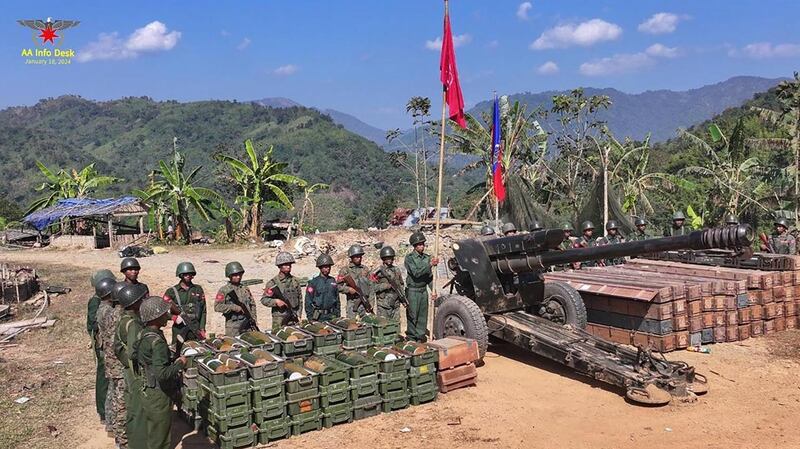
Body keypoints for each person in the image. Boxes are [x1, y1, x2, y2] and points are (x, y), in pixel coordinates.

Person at [135, 296, 187, 449]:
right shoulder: (156, 341)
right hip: (158, 394)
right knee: (160, 439)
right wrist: (179, 363)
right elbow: (162, 374)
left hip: (146, 388)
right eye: (164, 314)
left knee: (152, 432)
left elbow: (134, 356)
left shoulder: (143, 334)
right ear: (156, 317)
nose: (168, 316)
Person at [113, 283, 148, 449]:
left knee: (133, 410)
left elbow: (119, 348)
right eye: (141, 300)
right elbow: (135, 352)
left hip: (128, 370)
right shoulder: (133, 323)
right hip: (136, 373)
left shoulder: (123, 319)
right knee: (138, 412)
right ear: (134, 303)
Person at [96, 278, 127, 448]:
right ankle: (120, 437)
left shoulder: (104, 310)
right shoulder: (115, 314)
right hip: (117, 363)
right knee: (119, 400)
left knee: (113, 395)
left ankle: (113, 427)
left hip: (110, 360)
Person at [88, 269, 115, 426]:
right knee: (104, 377)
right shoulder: (95, 301)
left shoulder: (109, 300)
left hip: (109, 345)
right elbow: (92, 325)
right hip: (103, 346)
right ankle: (103, 412)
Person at [162, 262, 206, 352]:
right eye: (185, 274)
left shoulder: (198, 289)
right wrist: (173, 317)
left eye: (190, 274)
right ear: (180, 275)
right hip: (179, 328)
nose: (188, 276)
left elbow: (203, 310)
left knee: (197, 351)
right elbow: (161, 311)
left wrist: (202, 328)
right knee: (178, 351)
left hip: (195, 327)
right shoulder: (172, 291)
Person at [404, 232, 438, 342]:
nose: (421, 246)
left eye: (423, 244)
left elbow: (429, 277)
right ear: (414, 246)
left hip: (423, 291)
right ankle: (411, 338)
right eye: (419, 245)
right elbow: (416, 273)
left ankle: (420, 337)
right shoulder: (409, 258)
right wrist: (429, 265)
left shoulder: (427, 258)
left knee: (423, 316)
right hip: (413, 292)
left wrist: (433, 290)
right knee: (413, 316)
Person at [261, 252, 302, 330]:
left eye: (290, 265)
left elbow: (300, 299)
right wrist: (276, 302)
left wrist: (299, 314)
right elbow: (264, 300)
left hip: (293, 317)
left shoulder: (295, 281)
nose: (288, 267)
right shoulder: (273, 283)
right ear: (279, 266)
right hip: (280, 318)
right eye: (285, 265)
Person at [215, 262, 257, 335]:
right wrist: (234, 307)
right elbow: (217, 307)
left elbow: (252, 305)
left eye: (240, 274)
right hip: (233, 327)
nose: (238, 277)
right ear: (230, 276)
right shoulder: (224, 290)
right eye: (235, 275)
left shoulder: (245, 289)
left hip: (248, 324)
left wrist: (253, 319)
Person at [337, 244, 373, 318]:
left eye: (360, 256)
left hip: (364, 303)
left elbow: (371, 287)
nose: (359, 258)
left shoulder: (365, 269)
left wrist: (371, 303)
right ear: (351, 257)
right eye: (356, 256)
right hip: (352, 304)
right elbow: (338, 286)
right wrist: (348, 289)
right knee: (353, 326)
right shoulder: (345, 270)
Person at [371, 246, 406, 321]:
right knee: (383, 326)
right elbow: (372, 287)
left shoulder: (396, 270)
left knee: (395, 325)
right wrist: (386, 286)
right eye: (387, 258)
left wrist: (403, 300)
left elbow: (401, 285)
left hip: (395, 304)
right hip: (383, 305)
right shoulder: (378, 272)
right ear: (383, 259)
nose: (389, 260)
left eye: (391, 258)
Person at [305, 254, 342, 321]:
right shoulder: (313, 282)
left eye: (329, 267)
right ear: (320, 267)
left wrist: (338, 314)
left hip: (332, 315)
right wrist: (310, 317)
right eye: (325, 267)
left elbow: (337, 299)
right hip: (319, 317)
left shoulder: (332, 281)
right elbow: (308, 301)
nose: (327, 269)